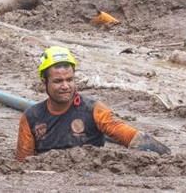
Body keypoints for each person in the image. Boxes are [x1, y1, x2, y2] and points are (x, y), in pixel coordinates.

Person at [16, 46, 171, 162]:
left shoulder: (93, 110)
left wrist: (169, 158)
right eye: (58, 81)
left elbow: (131, 137)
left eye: (69, 79)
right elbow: (22, 163)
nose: (65, 86)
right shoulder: (31, 117)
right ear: (44, 83)